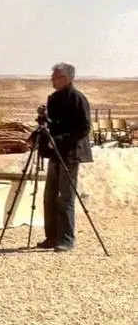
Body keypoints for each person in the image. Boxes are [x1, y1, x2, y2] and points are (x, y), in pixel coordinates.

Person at [37, 62, 93, 252]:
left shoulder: (77, 98)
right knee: (49, 196)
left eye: (55, 77)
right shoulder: (53, 98)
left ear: (66, 78)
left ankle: (66, 238)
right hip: (55, 153)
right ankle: (51, 236)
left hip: (70, 153)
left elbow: (84, 128)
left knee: (65, 197)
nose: (52, 80)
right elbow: (52, 125)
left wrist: (61, 139)